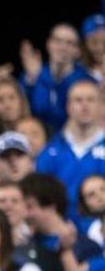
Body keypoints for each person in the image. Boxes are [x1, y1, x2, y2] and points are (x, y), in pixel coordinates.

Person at [36, 79, 105, 213]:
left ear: (101, 106)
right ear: (68, 106)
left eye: (91, 100)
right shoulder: (49, 152)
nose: (85, 105)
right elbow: (41, 197)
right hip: (59, 228)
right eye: (78, 100)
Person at [21, 24, 94, 132]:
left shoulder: (86, 80)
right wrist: (31, 79)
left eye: (69, 43)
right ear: (48, 44)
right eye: (58, 41)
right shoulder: (34, 73)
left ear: (77, 50)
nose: (63, 47)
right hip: (36, 139)